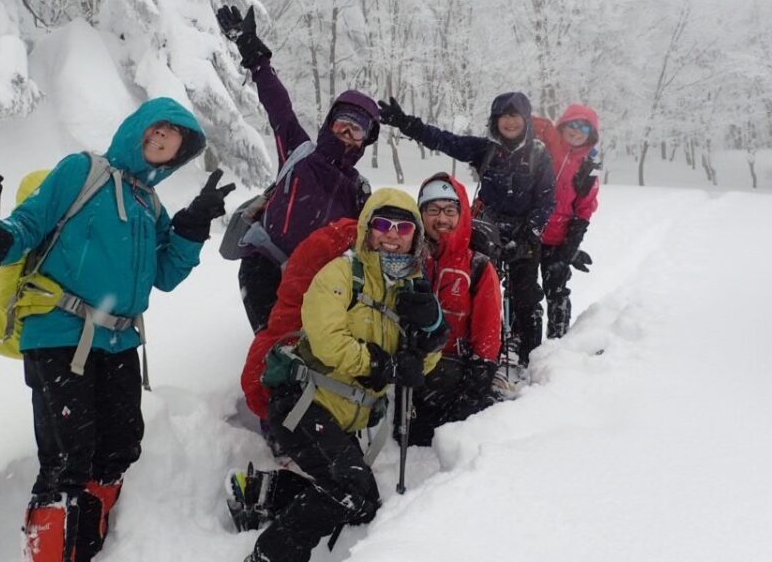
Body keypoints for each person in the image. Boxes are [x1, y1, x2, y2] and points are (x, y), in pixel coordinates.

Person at [0, 98, 234, 562]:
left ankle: (85, 545)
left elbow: (165, 275)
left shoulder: (149, 204)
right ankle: (49, 552)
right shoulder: (82, 171)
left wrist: (192, 226)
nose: (163, 137)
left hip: (118, 341)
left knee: (120, 446)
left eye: (175, 137)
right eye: (158, 127)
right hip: (59, 333)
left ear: (177, 155)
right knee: (67, 459)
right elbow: (29, 223)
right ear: (138, 129)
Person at [231, 189, 448, 562]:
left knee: (362, 505)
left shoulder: (410, 287)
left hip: (341, 415)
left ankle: (263, 492)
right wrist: (381, 366)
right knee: (350, 488)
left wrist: (432, 331)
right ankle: (269, 556)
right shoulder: (341, 273)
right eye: (383, 224)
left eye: (403, 227)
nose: (392, 235)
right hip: (304, 403)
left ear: (415, 236)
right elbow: (327, 341)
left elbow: (419, 367)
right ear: (367, 229)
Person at [216, 5, 380, 333]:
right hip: (265, 263)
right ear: (330, 123)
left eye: (357, 130)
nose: (348, 133)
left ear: (365, 140)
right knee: (273, 342)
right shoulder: (300, 150)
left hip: (316, 279)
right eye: (343, 124)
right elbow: (279, 104)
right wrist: (255, 55)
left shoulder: (359, 189)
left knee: (308, 346)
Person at [377, 92, 555, 366]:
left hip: (524, 232)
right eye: (503, 116)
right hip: (487, 228)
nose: (509, 122)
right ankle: (482, 347)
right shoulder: (487, 150)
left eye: (515, 115)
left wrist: (529, 234)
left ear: (525, 119)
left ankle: (529, 357)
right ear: (495, 121)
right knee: (480, 289)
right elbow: (445, 141)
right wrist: (407, 124)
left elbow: (547, 200)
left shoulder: (539, 155)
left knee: (526, 296)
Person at [405, 173, 503, 446]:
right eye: (433, 210)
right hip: (411, 369)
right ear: (420, 214)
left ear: (461, 215)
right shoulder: (407, 261)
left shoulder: (478, 266)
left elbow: (488, 331)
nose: (442, 219)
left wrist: (477, 381)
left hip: (458, 371)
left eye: (450, 211)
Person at [532, 104, 600, 338]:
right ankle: (525, 341)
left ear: (591, 134)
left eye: (584, 127)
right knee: (525, 291)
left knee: (557, 291)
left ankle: (557, 341)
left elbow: (585, 208)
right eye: (574, 123)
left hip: (558, 240)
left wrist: (570, 247)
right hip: (529, 232)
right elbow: (522, 120)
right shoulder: (550, 140)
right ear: (563, 124)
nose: (577, 131)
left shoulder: (589, 166)